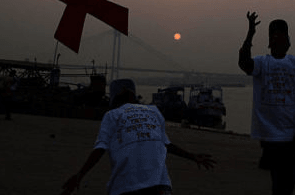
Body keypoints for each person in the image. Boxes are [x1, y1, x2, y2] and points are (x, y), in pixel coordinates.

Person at [60, 80, 215, 195]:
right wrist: (192, 156)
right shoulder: (153, 111)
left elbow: (100, 148)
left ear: (114, 99)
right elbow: (166, 145)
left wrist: (80, 175)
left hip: (126, 186)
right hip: (160, 184)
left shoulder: (112, 115)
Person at [238, 11, 295, 195]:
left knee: (290, 182)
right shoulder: (262, 63)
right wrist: (250, 34)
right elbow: (244, 63)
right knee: (279, 181)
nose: (278, 39)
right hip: (270, 136)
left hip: (291, 134)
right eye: (274, 36)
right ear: (270, 41)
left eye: (282, 36)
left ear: (288, 41)